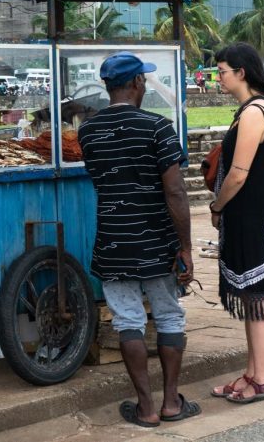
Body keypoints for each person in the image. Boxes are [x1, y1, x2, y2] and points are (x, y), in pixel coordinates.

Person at [77, 51, 200, 428]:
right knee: (168, 317)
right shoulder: (158, 127)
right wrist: (185, 247)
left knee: (127, 320)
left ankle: (145, 407)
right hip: (157, 242)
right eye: (143, 79)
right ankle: (171, 403)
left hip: (113, 241)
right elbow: (176, 193)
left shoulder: (87, 131)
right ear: (136, 83)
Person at [208, 42, 264, 405]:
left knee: (260, 300)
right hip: (249, 215)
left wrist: (217, 205)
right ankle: (253, 373)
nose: (218, 78)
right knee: (255, 298)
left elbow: (238, 174)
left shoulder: (255, 112)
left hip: (250, 216)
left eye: (222, 71)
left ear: (241, 73)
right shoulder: (255, 109)